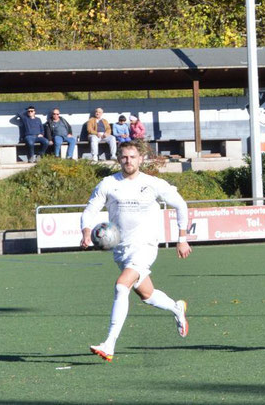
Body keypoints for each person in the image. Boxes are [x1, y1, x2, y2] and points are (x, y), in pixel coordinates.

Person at [80, 140, 192, 362]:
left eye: (132, 157)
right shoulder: (108, 184)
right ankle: (177, 308)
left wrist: (182, 239)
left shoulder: (153, 183)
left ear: (141, 159)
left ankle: (109, 343)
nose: (128, 161)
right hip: (121, 250)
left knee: (122, 286)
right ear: (118, 159)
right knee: (147, 295)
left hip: (145, 246)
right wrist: (85, 231)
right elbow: (90, 209)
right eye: (124, 157)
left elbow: (181, 205)